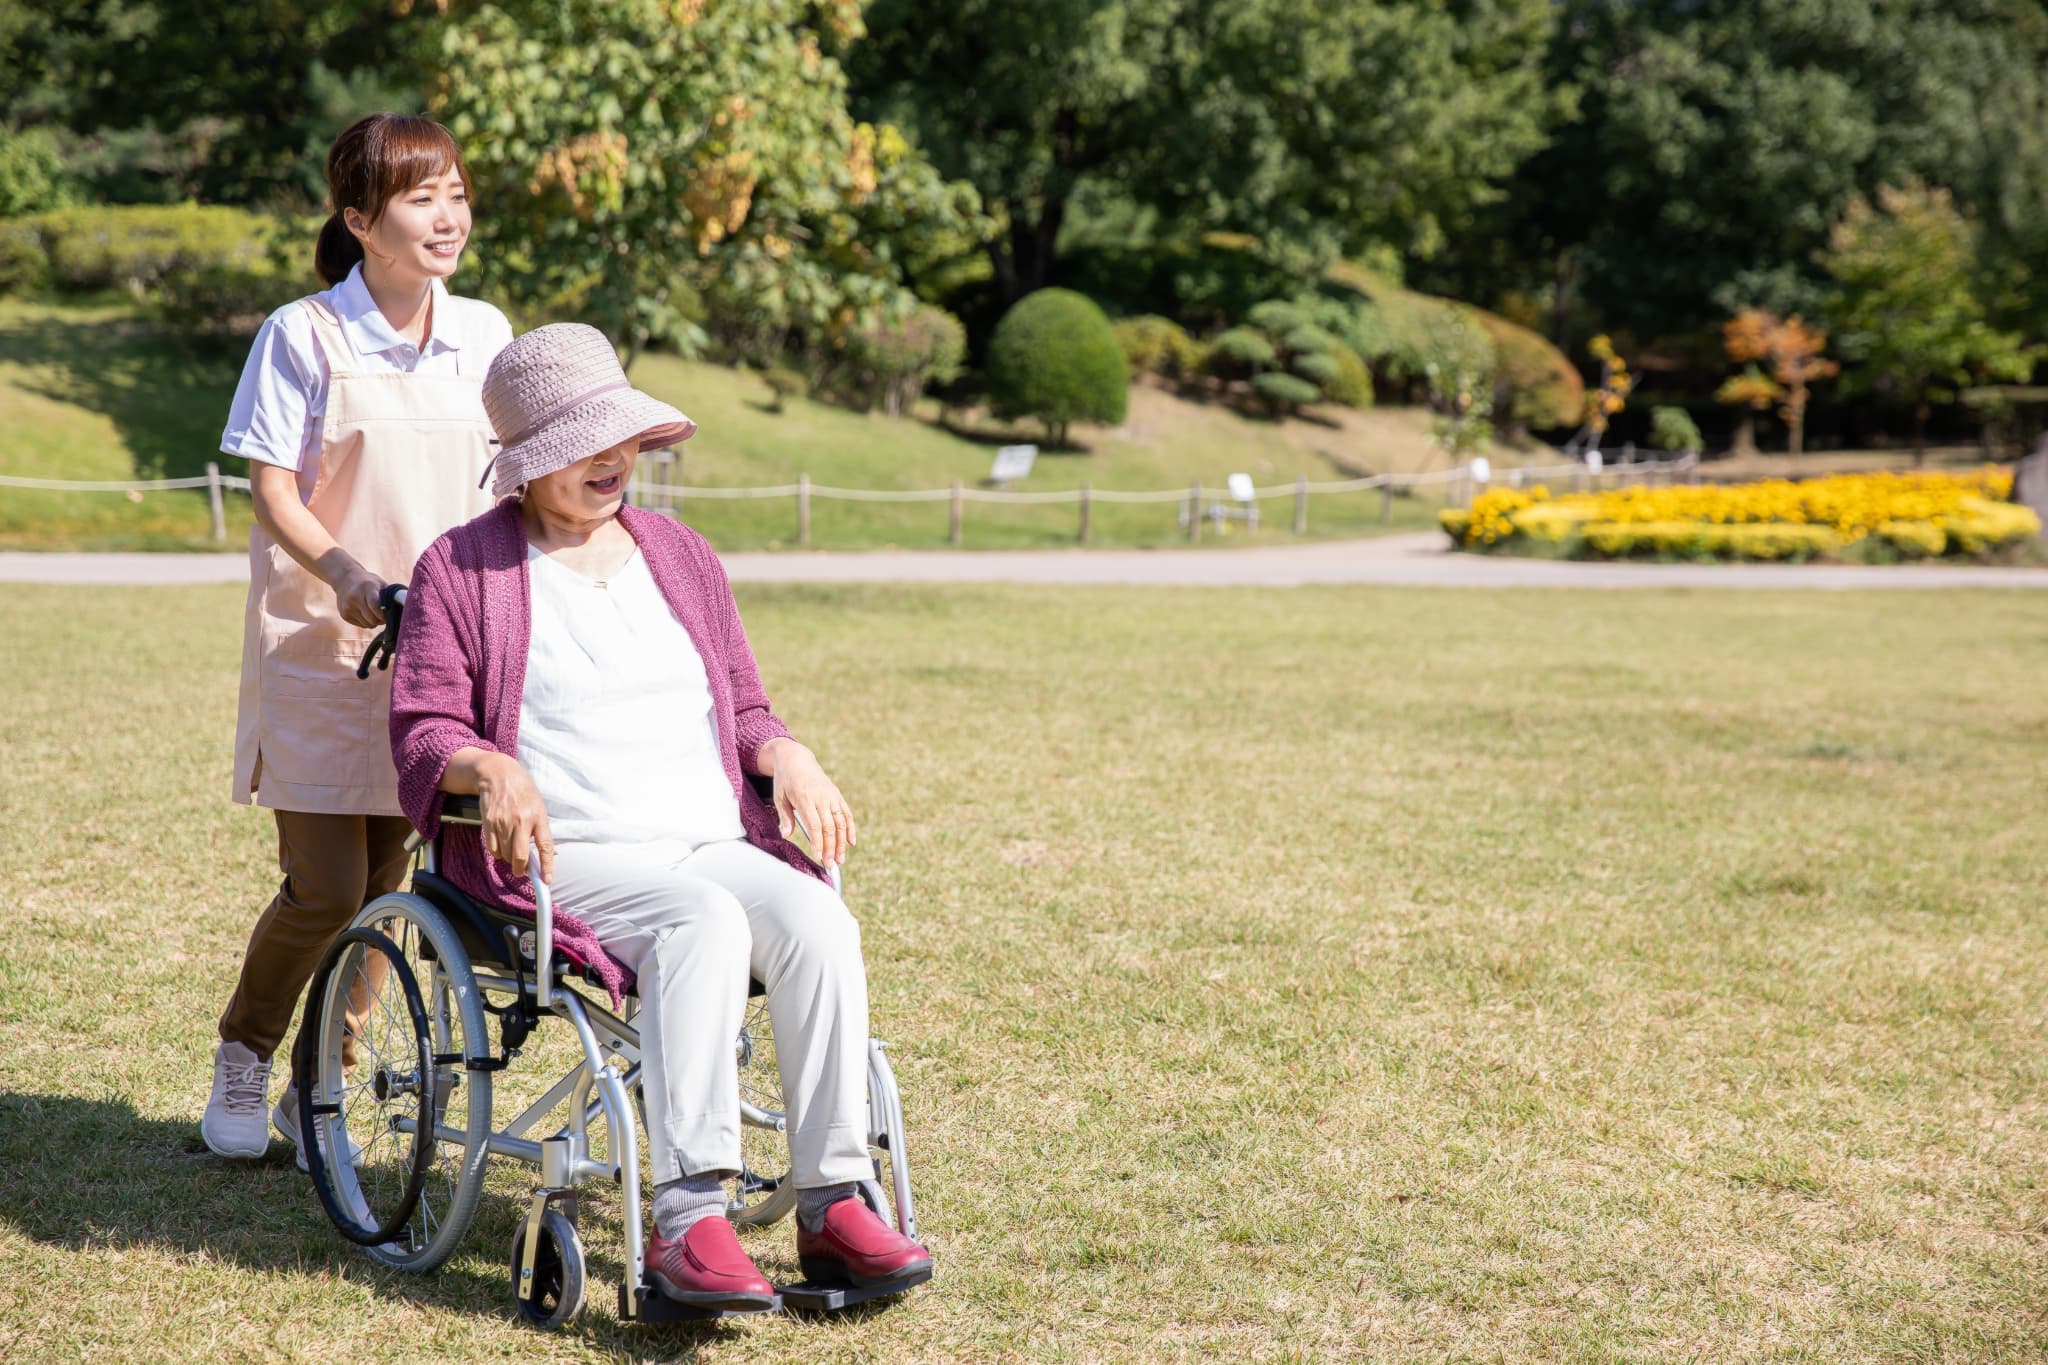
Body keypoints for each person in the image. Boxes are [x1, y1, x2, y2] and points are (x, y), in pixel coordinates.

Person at [388, 323, 933, 1307]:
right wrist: (485, 766)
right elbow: (423, 727)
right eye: (580, 441)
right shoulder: (460, 570)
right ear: (524, 461)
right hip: (569, 859)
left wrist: (784, 751)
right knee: (701, 920)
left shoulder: (676, 552)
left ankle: (833, 1202)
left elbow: (744, 701)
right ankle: (688, 1222)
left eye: (621, 436)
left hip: (708, 838)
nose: (611, 459)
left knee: (815, 917)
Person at [202, 114, 512, 1165]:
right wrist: (344, 575)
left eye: (457, 193)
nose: (449, 215)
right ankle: (245, 1052)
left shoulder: (486, 332)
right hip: (325, 646)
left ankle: (318, 1085)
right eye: (423, 197)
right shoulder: (304, 333)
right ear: (358, 221)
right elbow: (271, 487)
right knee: (326, 887)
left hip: (448, 653)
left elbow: (512, 477)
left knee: (393, 895)